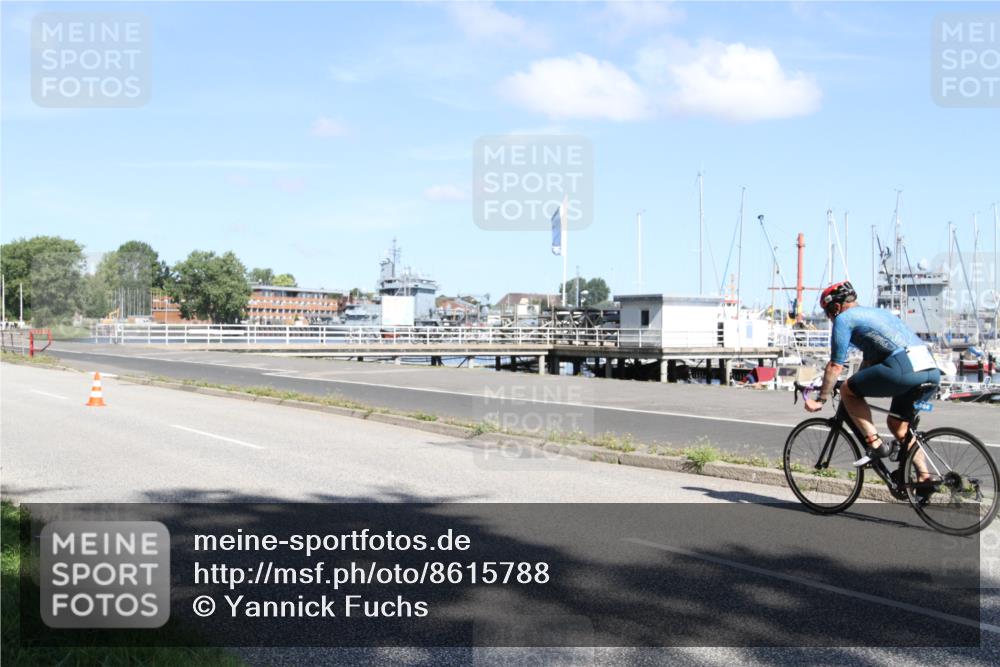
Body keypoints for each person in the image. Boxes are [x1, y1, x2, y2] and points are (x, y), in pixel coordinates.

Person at [802, 281, 941, 480]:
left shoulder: (844, 319)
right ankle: (924, 478)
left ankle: (875, 444)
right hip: (930, 368)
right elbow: (870, 364)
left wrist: (821, 398)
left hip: (905, 367)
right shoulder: (879, 315)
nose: (830, 318)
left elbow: (835, 365)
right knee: (899, 426)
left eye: (827, 313)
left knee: (848, 391)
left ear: (836, 307)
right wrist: (852, 382)